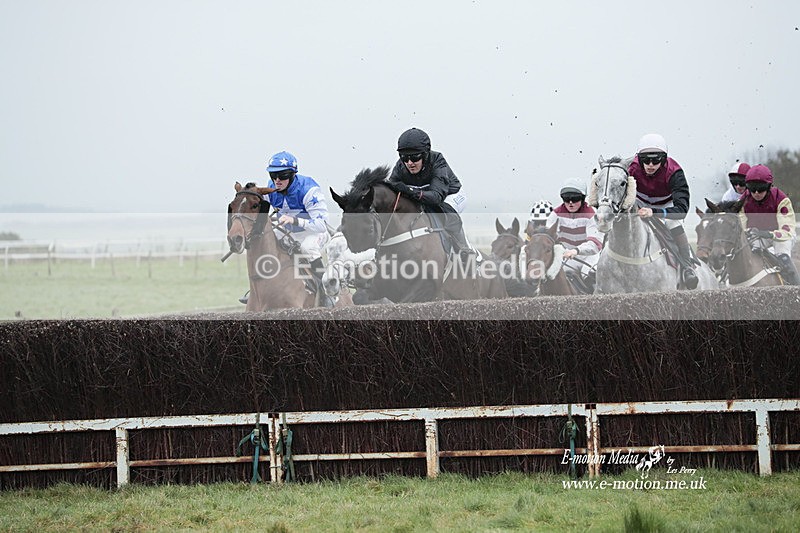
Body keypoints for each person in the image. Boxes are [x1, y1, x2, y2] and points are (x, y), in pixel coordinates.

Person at [240, 151, 332, 305]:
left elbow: (322, 224)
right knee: (266, 243)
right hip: (288, 232)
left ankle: (326, 293)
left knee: (307, 248)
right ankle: (257, 291)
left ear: (292, 175)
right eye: (273, 176)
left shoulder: (309, 190)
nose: (277, 180)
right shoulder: (271, 189)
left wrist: (295, 220)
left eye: (282, 176)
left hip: (314, 232)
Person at [386, 128, 475, 259]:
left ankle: (465, 248)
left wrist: (409, 191)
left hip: (450, 196)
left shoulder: (437, 160)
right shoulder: (400, 167)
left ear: (425, 154)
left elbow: (436, 197)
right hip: (424, 197)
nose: (409, 163)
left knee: (442, 211)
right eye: (405, 157)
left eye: (415, 157)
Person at [628, 133, 699, 289]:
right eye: (646, 160)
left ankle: (687, 267)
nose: (651, 164)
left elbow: (681, 210)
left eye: (656, 160)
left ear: (664, 159)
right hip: (638, 203)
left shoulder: (675, 173)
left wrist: (654, 212)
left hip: (667, 206)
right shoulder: (630, 169)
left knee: (673, 222)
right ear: (639, 159)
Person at [739, 164, 799, 285]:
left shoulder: (781, 199)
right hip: (758, 236)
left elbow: (787, 230)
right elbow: (742, 226)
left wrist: (767, 233)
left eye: (760, 188)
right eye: (752, 188)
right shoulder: (743, 201)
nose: (756, 193)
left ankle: (796, 290)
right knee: (748, 254)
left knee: (783, 256)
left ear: (769, 186)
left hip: (781, 237)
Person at [544, 178, 602, 290]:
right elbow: (548, 239)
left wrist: (576, 251)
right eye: (566, 198)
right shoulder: (555, 215)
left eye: (575, 199)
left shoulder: (592, 214)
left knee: (590, 275)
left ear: (583, 198)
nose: (570, 203)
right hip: (566, 256)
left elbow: (595, 244)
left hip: (589, 257)